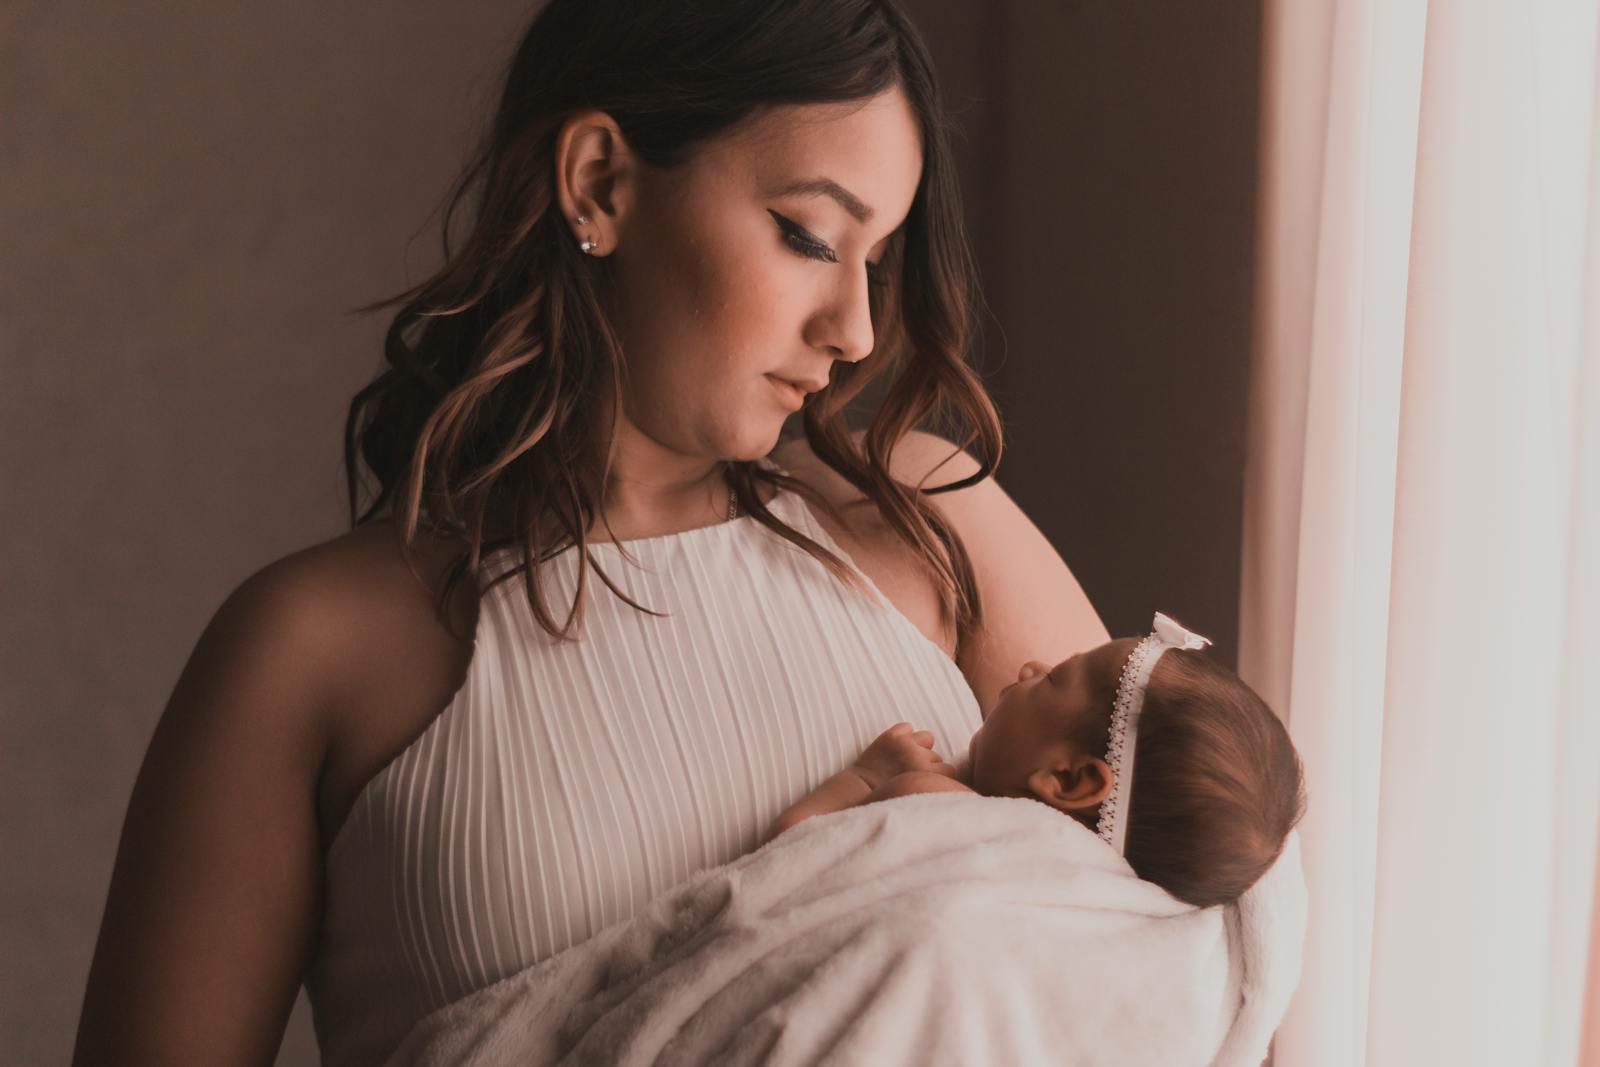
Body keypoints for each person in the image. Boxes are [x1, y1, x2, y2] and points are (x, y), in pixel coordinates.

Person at [72, 1, 1107, 1063]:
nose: (851, 329)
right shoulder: (309, 649)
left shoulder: (927, 514)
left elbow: (1180, 948)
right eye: (808, 236)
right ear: (600, 182)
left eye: (875, 261)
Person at [766, 613, 1308, 908]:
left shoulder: (938, 807)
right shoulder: (1084, 903)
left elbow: (788, 855)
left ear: (1068, 780)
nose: (1028, 666)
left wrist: (866, 777)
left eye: (1053, 679)